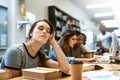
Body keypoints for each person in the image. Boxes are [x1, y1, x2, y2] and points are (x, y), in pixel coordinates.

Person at [0, 19, 69, 79]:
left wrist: (53, 42)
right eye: (40, 28)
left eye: (48, 31)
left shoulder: (41, 55)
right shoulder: (15, 51)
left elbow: (65, 69)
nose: (45, 32)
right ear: (31, 33)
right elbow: (13, 79)